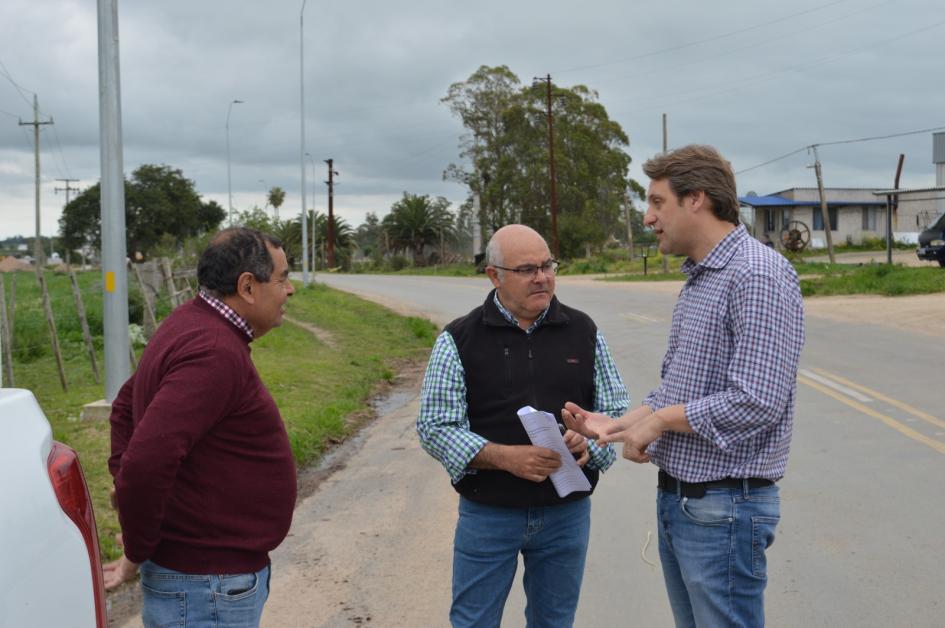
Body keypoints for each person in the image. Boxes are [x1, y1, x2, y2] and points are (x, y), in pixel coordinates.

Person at [563, 144, 805, 628]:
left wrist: (659, 423)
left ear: (696, 199)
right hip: (685, 503)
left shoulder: (756, 275)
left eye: (657, 202)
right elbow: (676, 391)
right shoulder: (702, 278)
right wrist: (617, 425)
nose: (648, 217)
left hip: (725, 508)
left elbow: (756, 400)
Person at [417, 224, 630, 628]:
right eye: (527, 269)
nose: (542, 277)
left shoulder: (583, 331)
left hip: (566, 515)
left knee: (554, 621)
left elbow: (615, 410)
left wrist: (590, 443)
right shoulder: (459, 339)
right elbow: (434, 426)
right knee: (473, 621)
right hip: (489, 514)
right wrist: (502, 457)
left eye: (548, 265)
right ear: (494, 276)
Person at [103, 228, 297, 628]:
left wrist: (128, 487)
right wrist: (137, 547)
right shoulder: (213, 351)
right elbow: (146, 461)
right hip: (207, 587)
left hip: (204, 582)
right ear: (247, 286)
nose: (290, 290)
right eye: (282, 278)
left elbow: (124, 406)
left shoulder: (191, 323)